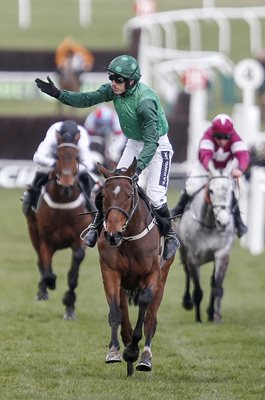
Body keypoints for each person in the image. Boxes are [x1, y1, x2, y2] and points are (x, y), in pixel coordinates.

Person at [35, 54, 180, 260]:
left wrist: (136, 170)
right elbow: (86, 99)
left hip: (157, 147)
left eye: (119, 80)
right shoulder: (115, 90)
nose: (114, 83)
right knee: (110, 186)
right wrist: (59, 94)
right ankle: (95, 227)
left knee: (156, 197)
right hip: (134, 142)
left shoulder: (145, 104)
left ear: (132, 81)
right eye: (112, 78)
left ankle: (171, 234)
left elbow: (151, 143)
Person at [171, 113, 250, 238]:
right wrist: (211, 171)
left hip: (224, 170)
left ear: (231, 134)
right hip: (204, 168)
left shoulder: (235, 137)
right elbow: (205, 156)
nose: (222, 141)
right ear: (213, 133)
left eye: (226, 137)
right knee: (191, 186)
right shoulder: (207, 135)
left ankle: (239, 224)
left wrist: (240, 169)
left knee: (231, 191)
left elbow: (243, 155)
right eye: (218, 137)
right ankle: (177, 211)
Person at [22, 120, 96, 216]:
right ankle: (31, 200)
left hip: (74, 164)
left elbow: (88, 164)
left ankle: (91, 205)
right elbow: (37, 157)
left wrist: (71, 169)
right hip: (55, 161)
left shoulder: (82, 138)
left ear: (77, 137)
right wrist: (56, 165)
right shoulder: (52, 135)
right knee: (41, 171)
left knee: (87, 177)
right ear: (58, 136)